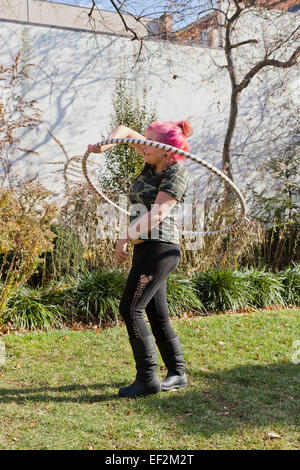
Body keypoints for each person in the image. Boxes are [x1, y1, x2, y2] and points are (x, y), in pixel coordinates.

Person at [87, 120, 192, 398]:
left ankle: (147, 379)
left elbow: (158, 214)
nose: (144, 145)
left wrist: (124, 237)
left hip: (161, 249)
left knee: (130, 308)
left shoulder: (175, 173)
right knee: (156, 314)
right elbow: (123, 130)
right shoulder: (152, 161)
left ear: (166, 149)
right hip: (147, 248)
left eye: (150, 141)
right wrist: (107, 144)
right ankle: (177, 373)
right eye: (145, 140)